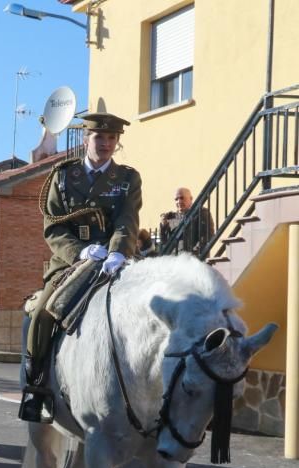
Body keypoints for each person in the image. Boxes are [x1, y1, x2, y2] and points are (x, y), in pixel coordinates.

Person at [19, 112, 142, 423]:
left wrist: (117, 253)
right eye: (99, 137)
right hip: (71, 264)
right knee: (43, 313)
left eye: (112, 138)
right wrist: (80, 251)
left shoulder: (127, 178)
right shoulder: (62, 177)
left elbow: (127, 220)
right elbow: (52, 228)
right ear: (86, 139)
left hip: (113, 262)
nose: (106, 144)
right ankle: (37, 389)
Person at [158, 187, 214, 255]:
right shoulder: (169, 218)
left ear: (190, 199)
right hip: (174, 260)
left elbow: (207, 237)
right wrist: (163, 226)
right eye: (176, 199)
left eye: (182, 198)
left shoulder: (201, 213)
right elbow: (164, 243)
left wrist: (193, 254)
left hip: (193, 260)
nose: (179, 201)